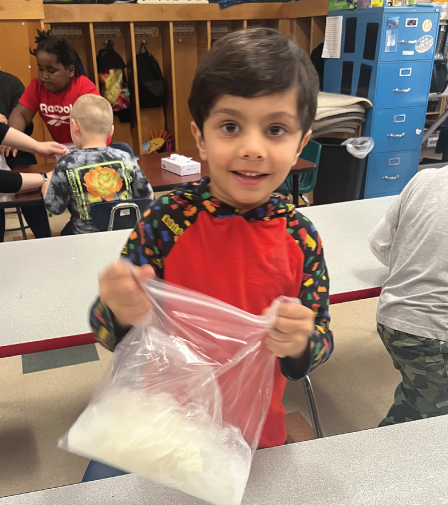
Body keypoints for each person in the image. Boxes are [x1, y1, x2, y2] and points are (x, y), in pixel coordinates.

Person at [84, 28, 334, 480]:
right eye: (230, 126)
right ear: (200, 138)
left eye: (275, 129)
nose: (252, 148)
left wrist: (301, 343)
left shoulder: (301, 237)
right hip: (158, 424)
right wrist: (119, 308)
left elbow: (318, 345)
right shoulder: (166, 221)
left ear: (300, 143)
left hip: (250, 438)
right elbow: (107, 331)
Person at [368, 164, 448, 427]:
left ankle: (372, 459)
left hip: (392, 315)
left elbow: (378, 242)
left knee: (417, 402)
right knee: (441, 426)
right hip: (433, 331)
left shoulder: (424, 178)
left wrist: (415, 265)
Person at [0, 124, 68, 303]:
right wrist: (43, 178)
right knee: (10, 202)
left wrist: (37, 146)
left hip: (1, 155)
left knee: (28, 196)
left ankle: (46, 252)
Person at [41, 94, 152, 236]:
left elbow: (55, 208)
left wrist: (46, 183)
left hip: (85, 244)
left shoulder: (66, 164)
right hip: (123, 239)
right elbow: (148, 197)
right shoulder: (127, 158)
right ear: (111, 131)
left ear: (75, 127)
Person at [6, 30, 101, 147]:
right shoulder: (37, 87)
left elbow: (97, 125)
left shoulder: (84, 88)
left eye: (51, 71)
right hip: (65, 149)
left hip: (91, 146)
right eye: (40, 69)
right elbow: (20, 114)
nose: (44, 76)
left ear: (70, 71)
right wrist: (10, 140)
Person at [0, 70, 53, 240]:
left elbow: (24, 121)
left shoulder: (10, 83)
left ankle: (44, 238)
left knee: (28, 166)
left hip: (15, 153)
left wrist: (12, 136)